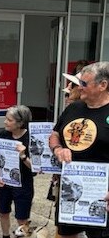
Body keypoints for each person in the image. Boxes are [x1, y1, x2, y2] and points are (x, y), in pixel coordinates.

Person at [49, 62, 109, 238]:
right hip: (71, 188)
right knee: (66, 234)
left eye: (84, 84)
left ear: (102, 85)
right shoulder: (74, 108)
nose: (78, 88)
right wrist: (58, 149)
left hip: (102, 194)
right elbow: (54, 134)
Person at [0, 105, 33, 238]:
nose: (5, 122)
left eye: (9, 120)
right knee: (3, 212)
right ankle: (5, 235)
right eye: (6, 119)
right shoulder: (3, 134)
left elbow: (36, 167)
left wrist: (23, 156)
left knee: (22, 217)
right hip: (5, 182)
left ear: (20, 123)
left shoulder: (30, 139)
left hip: (23, 184)